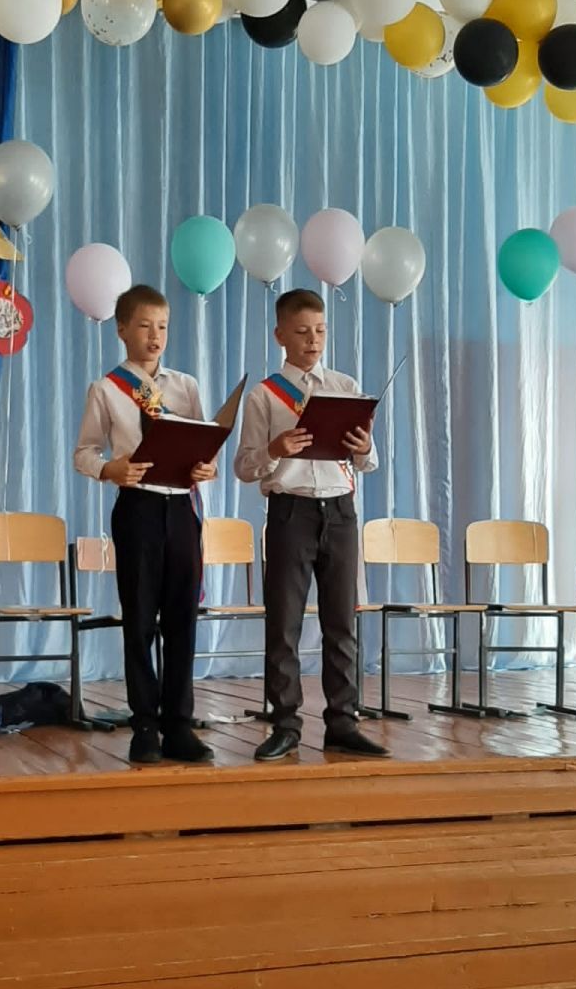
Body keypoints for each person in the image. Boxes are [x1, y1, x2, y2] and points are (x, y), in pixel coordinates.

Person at [234, 288, 390, 762]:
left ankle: (343, 722)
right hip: (291, 512)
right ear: (280, 335)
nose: (313, 340)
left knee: (341, 623)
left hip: (340, 512)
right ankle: (285, 724)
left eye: (320, 331)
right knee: (284, 624)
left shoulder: (344, 385)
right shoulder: (264, 395)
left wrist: (363, 447)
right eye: (302, 332)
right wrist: (275, 450)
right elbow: (244, 466)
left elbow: (368, 462)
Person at [74, 283, 216, 765]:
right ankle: (145, 727)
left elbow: (203, 444)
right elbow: (84, 452)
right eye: (144, 326)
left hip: (181, 509)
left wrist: (207, 467)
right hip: (137, 510)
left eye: (163, 327)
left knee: (182, 620)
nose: (155, 337)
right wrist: (109, 469)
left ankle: (179, 725)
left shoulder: (185, 387)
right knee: (139, 621)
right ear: (121, 329)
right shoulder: (106, 389)